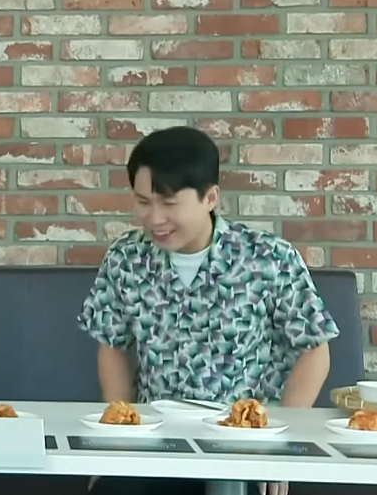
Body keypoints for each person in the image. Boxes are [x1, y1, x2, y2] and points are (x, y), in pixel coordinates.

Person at [78, 126, 340, 495]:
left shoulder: (269, 258)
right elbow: (113, 345)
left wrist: (281, 443)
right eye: (143, 202)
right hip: (155, 441)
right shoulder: (127, 258)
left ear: (210, 197)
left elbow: (315, 349)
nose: (153, 218)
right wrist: (117, 436)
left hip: (244, 445)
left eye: (169, 203)